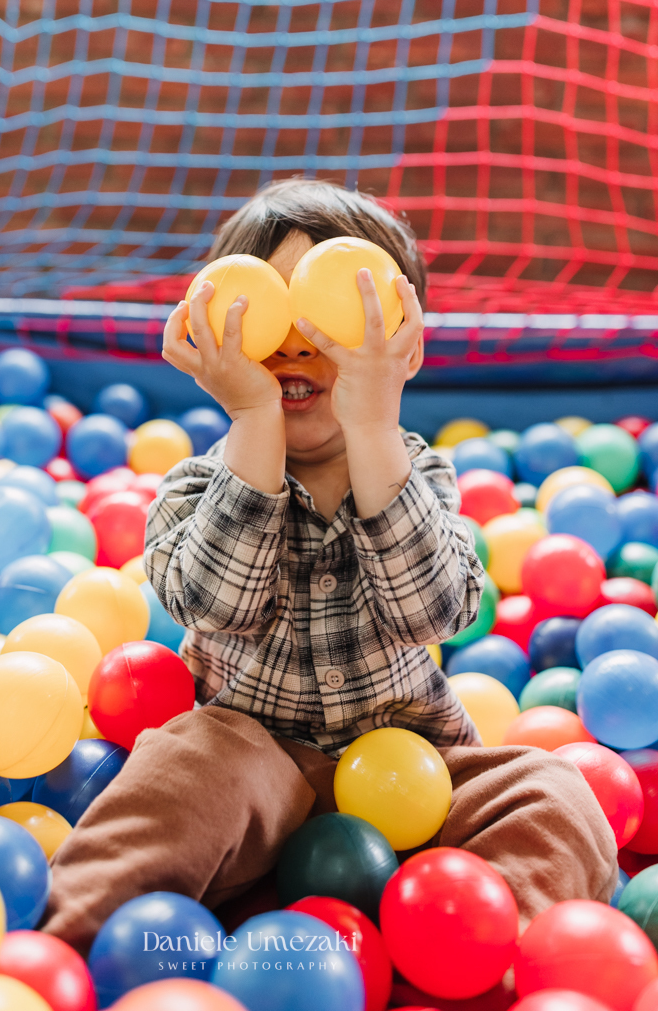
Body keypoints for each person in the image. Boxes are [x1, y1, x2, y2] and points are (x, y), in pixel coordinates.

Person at [44, 179, 616, 953]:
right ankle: (65, 942)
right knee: (179, 774)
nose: (295, 344)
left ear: (405, 348)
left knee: (555, 797)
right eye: (267, 315)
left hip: (415, 774)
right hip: (249, 766)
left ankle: (475, 958)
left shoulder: (422, 476)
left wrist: (374, 423)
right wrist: (253, 419)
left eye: (333, 317)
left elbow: (434, 610)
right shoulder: (194, 484)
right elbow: (213, 603)